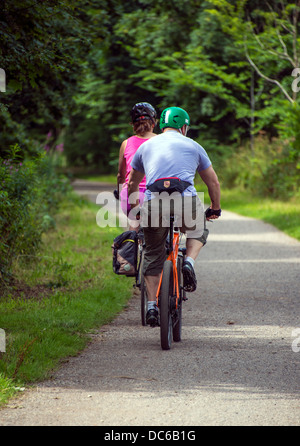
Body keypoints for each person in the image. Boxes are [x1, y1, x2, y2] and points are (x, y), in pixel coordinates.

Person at [127, 106, 221, 326]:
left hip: (154, 204)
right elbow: (213, 182)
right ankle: (188, 261)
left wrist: (134, 208)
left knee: (151, 252)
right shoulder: (194, 146)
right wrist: (215, 207)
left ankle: (151, 306)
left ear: (161, 124)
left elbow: (132, 182)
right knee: (198, 229)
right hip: (186, 201)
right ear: (184, 126)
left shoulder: (146, 146)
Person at [116, 102, 157, 228]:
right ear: (154, 123)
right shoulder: (162, 141)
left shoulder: (126, 143)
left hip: (130, 197)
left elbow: (121, 176)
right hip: (155, 195)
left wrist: (120, 193)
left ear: (133, 125)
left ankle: (130, 243)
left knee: (135, 222)